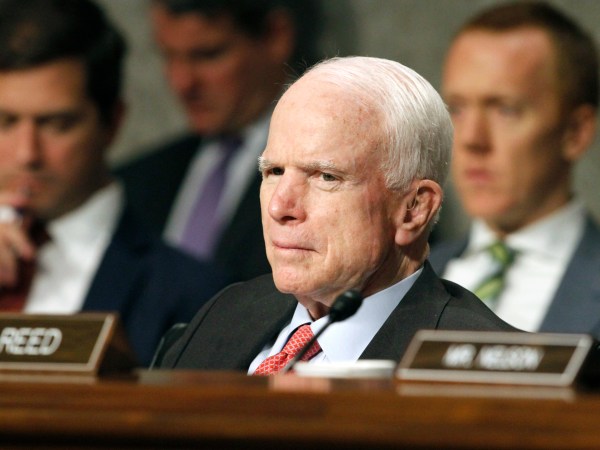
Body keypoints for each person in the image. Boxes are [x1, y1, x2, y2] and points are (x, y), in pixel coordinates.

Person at [156, 55, 517, 373]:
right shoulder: (224, 315)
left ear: (414, 209)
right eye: (274, 172)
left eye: (326, 177)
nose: (280, 207)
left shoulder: (485, 368)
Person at [0, 0, 230, 367]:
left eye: (56, 124)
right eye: (6, 122)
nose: (27, 153)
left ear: (113, 122)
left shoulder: (194, 295)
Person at [115, 0, 322, 283]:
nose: (182, 82)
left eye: (207, 55)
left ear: (276, 36)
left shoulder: (328, 175)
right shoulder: (136, 181)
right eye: (169, 56)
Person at [429, 1, 600, 336]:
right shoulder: (401, 282)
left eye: (505, 110)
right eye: (458, 109)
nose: (472, 140)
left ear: (576, 133)